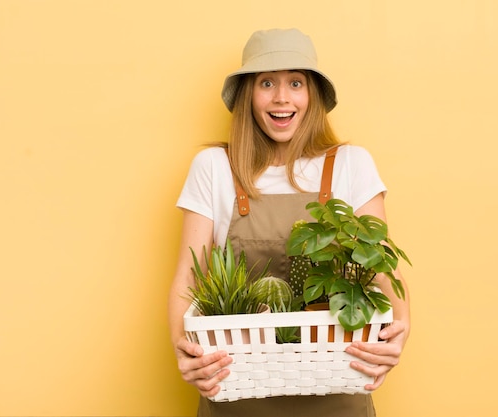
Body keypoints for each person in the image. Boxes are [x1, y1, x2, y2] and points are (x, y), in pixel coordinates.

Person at [168, 28, 410, 417]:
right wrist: (186, 350)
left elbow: (382, 264)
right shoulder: (213, 168)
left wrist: (402, 327)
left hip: (338, 387)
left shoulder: (351, 163)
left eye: (295, 83)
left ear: (311, 94)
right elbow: (188, 276)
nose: (282, 97)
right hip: (237, 390)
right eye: (267, 83)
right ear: (249, 94)